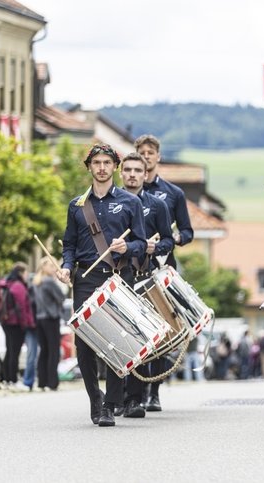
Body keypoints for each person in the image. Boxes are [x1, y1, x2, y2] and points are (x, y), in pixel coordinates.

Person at [56, 143, 147, 427]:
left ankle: (110, 405)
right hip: (85, 278)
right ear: (89, 167)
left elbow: (142, 245)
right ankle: (95, 400)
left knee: (117, 341)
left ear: (114, 167)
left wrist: (126, 247)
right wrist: (66, 266)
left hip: (119, 276)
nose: (102, 167)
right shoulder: (77, 205)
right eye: (97, 162)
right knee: (84, 344)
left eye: (107, 162)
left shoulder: (131, 203)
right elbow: (69, 244)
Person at [135, 134, 193, 412]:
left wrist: (170, 241)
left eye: (150, 152)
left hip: (162, 265)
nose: (146, 156)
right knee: (138, 328)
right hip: (134, 267)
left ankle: (153, 391)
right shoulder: (128, 192)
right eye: (141, 152)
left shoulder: (173, 193)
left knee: (162, 329)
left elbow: (187, 231)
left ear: (157, 156)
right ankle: (134, 389)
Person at [119, 151, 175, 418]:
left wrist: (155, 246)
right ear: (121, 173)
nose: (132, 175)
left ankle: (138, 396)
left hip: (146, 277)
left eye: (137, 171)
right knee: (120, 337)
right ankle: (117, 396)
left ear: (145, 174)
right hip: (117, 277)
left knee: (145, 338)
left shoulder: (158, 205)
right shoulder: (112, 203)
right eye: (127, 170)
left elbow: (169, 241)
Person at [32, 256, 67, 391]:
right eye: (52, 266)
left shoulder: (36, 282)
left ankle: (42, 381)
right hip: (51, 318)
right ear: (45, 267)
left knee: (44, 351)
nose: (54, 269)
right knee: (53, 351)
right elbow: (61, 297)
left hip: (40, 318)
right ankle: (52, 382)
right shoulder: (49, 282)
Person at [0, 262, 34, 391]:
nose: (27, 276)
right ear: (21, 273)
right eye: (26, 273)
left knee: (9, 351)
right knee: (15, 352)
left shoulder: (7, 283)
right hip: (16, 324)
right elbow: (21, 307)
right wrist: (25, 324)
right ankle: (13, 380)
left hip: (6, 322)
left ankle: (7, 379)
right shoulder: (18, 286)